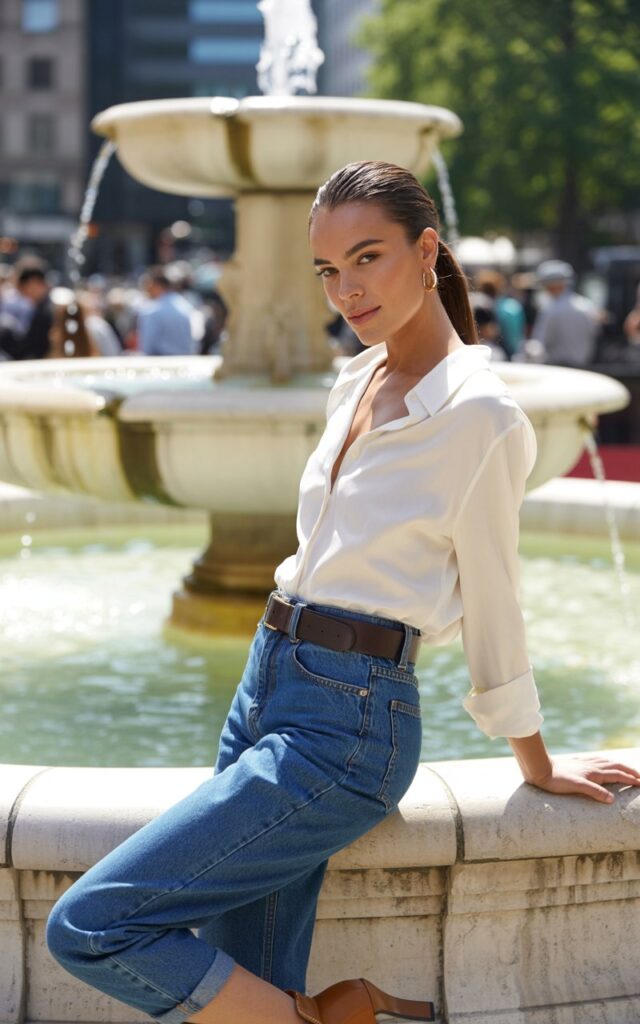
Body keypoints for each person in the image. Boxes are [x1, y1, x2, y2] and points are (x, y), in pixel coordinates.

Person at [44, 162, 640, 1024]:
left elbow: (496, 596)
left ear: (427, 249)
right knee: (249, 969)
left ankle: (324, 1018)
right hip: (265, 682)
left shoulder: (481, 415)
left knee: (91, 926)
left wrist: (536, 759)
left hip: (349, 726)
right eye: (329, 270)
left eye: (367, 259)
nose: (346, 290)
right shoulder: (354, 379)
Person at [533, 260, 600, 367]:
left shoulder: (549, 309)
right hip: (583, 367)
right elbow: (595, 333)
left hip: (558, 368)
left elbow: (540, 342)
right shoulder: (587, 306)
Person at [137, 266, 198, 355]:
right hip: (185, 361)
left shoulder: (152, 311)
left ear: (156, 285)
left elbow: (147, 348)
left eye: (148, 285)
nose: (147, 290)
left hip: (160, 364)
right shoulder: (186, 306)